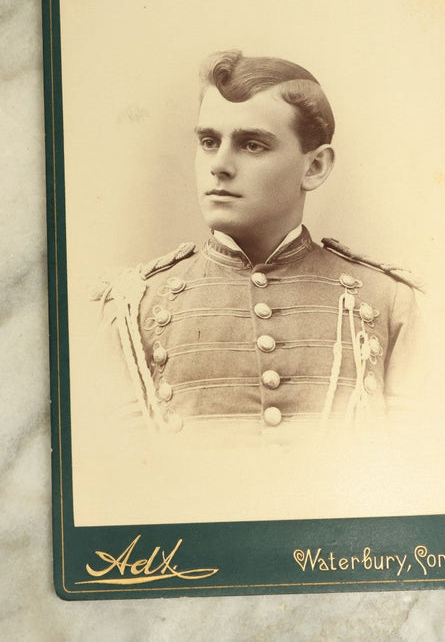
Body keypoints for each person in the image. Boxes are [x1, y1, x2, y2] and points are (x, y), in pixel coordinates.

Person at [94, 50, 423, 451]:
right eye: (209, 141)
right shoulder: (134, 308)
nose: (219, 165)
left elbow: (416, 463)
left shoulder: (387, 303)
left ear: (315, 167)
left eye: (252, 145)